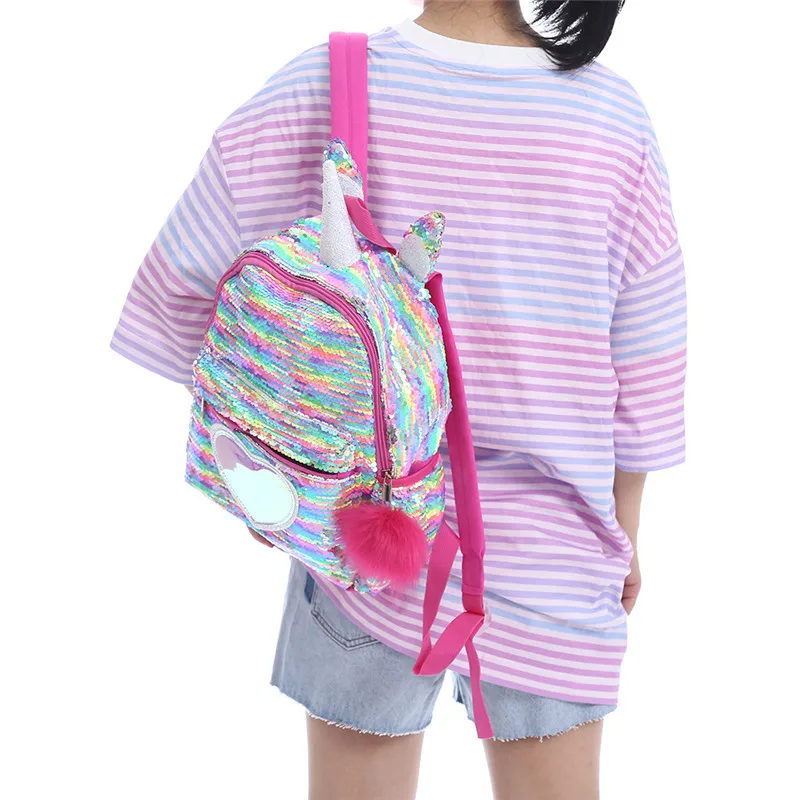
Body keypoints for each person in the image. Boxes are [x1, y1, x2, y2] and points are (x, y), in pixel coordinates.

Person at [110, 2, 687, 798]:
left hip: (363, 539)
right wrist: (625, 526)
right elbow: (649, 353)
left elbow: (180, 277)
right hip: (556, 559)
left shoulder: (332, 79)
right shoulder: (612, 117)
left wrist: (274, 452)